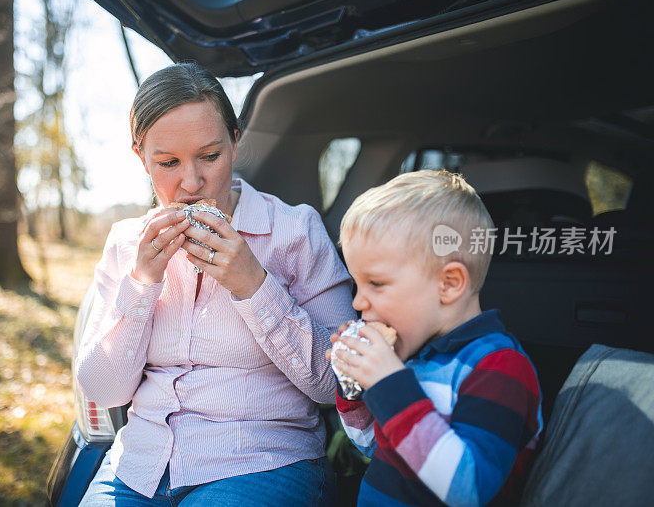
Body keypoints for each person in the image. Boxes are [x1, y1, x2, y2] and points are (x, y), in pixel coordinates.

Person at [75, 62, 355, 506]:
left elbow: (334, 384)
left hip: (262, 462)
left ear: (235, 142)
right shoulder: (126, 242)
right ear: (140, 156)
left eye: (210, 155)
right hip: (138, 466)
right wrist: (143, 282)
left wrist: (254, 285)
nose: (192, 182)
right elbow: (104, 389)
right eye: (167, 163)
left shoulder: (296, 231)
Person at [328, 170, 543, 506]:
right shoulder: (412, 353)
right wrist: (353, 386)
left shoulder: (499, 367)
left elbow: (469, 489)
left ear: (448, 284)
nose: (358, 302)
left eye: (377, 284)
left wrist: (389, 384)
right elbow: (368, 443)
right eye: (357, 284)